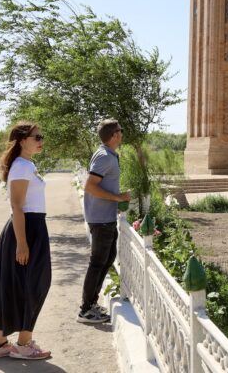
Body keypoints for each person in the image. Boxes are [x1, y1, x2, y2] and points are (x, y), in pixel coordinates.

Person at [0, 122, 52, 360]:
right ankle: (23, 345)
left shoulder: (26, 165)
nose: (41, 140)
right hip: (27, 229)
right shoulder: (22, 167)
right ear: (21, 140)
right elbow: (17, 206)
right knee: (35, 284)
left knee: (11, 284)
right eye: (37, 137)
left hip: (30, 228)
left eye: (41, 136)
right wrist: (22, 243)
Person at [78, 119, 131, 324]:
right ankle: (85, 309)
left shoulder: (108, 155)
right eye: (121, 130)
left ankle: (91, 304)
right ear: (114, 135)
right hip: (100, 220)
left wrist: (115, 201)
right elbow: (90, 186)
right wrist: (118, 198)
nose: (122, 134)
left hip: (104, 217)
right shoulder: (104, 157)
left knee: (106, 260)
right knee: (98, 263)